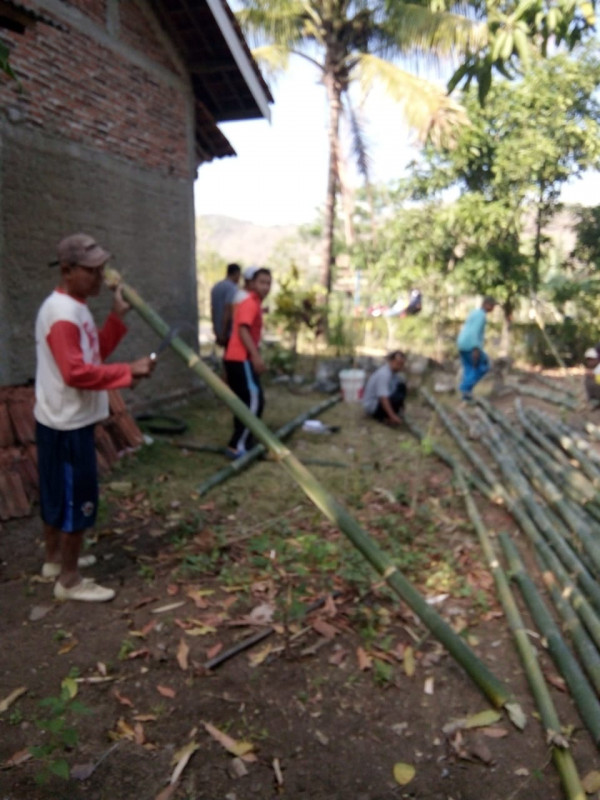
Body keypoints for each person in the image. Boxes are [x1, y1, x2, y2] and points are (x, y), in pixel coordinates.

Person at [35, 232, 155, 602]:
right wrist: (125, 371)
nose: (100, 278)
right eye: (92, 272)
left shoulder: (75, 306)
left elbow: (92, 355)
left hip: (58, 417)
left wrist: (116, 320)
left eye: (102, 270)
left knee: (57, 493)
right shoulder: (63, 314)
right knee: (78, 498)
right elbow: (75, 373)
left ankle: (54, 561)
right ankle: (69, 581)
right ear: (68, 270)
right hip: (69, 422)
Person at [223, 268, 272, 458]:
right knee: (254, 401)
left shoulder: (254, 303)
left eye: (268, 283)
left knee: (247, 401)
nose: (266, 287)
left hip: (238, 358)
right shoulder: (250, 302)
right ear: (251, 284)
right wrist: (255, 356)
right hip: (240, 358)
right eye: (262, 282)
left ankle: (244, 441)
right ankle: (237, 446)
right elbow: (243, 330)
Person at [456, 296, 497, 403]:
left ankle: (466, 397)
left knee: (469, 368)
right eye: (492, 306)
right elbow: (475, 332)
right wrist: (476, 349)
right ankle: (464, 388)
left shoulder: (474, 312)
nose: (493, 309)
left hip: (462, 344)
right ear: (487, 304)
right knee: (484, 366)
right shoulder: (481, 316)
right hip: (471, 346)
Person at [362, 351, 407, 426]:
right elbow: (383, 398)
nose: (400, 366)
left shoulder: (394, 374)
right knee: (396, 396)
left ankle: (391, 414)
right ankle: (385, 417)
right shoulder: (384, 374)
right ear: (391, 361)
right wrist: (393, 416)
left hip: (380, 401)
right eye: (398, 363)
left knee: (401, 387)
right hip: (373, 404)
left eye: (401, 364)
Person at [210, 263, 241, 347]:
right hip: (227, 331)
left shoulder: (216, 286)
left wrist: (216, 329)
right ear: (236, 274)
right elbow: (228, 310)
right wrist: (224, 332)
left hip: (218, 328)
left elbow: (213, 309)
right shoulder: (232, 288)